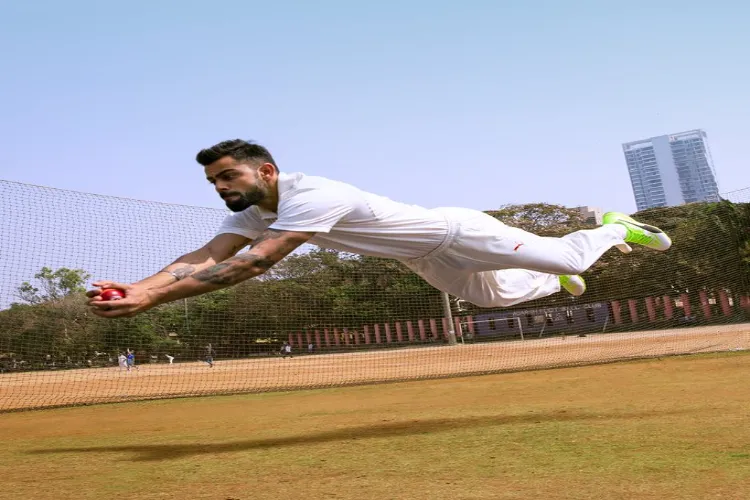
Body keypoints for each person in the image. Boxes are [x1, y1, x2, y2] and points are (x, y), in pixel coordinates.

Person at [86, 139, 671, 318]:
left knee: (568, 260)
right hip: (425, 260)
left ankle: (612, 228)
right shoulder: (248, 214)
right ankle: (549, 278)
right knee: (502, 299)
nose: (220, 186)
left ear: (265, 170)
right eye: (213, 181)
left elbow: (255, 264)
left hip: (460, 232)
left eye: (228, 175)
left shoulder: (312, 194)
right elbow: (207, 254)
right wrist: (141, 285)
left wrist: (154, 299)